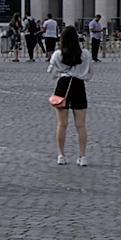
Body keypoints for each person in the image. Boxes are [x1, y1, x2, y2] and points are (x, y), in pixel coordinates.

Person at [47, 26, 92, 166]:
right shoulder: (85, 54)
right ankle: (82, 156)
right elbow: (89, 74)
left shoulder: (57, 54)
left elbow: (52, 73)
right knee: (80, 125)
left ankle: (61, 155)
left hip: (63, 86)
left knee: (62, 124)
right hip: (78, 86)